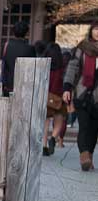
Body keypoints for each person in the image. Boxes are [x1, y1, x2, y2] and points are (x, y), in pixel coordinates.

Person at [63, 21, 98, 171]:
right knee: (84, 126)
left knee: (94, 129)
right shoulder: (82, 48)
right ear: (91, 30)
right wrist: (67, 88)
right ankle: (84, 155)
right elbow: (72, 67)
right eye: (96, 29)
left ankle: (89, 155)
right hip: (82, 92)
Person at [42, 42, 66, 156]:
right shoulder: (62, 66)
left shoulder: (44, 65)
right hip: (58, 97)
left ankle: (44, 145)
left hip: (46, 96)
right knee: (59, 119)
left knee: (45, 121)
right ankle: (54, 137)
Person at [1, 21, 36, 96]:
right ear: (26, 33)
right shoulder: (30, 49)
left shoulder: (6, 46)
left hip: (8, 86)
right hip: (24, 86)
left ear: (13, 32)